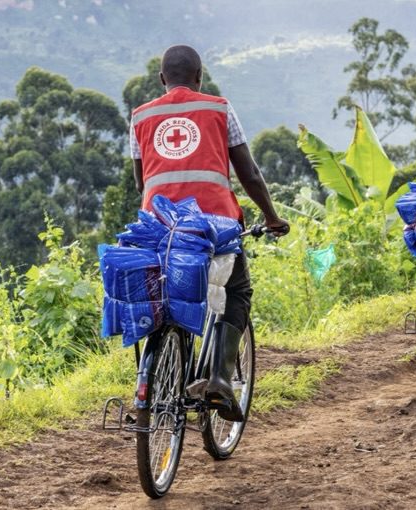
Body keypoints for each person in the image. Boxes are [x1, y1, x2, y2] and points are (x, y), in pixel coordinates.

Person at [130, 45, 289, 421]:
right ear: (200, 77)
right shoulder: (219, 108)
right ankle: (219, 377)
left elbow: (141, 181)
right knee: (237, 290)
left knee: (161, 297)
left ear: (161, 79)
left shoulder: (140, 116)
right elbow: (248, 172)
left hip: (160, 227)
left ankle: (147, 384)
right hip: (214, 225)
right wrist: (271, 216)